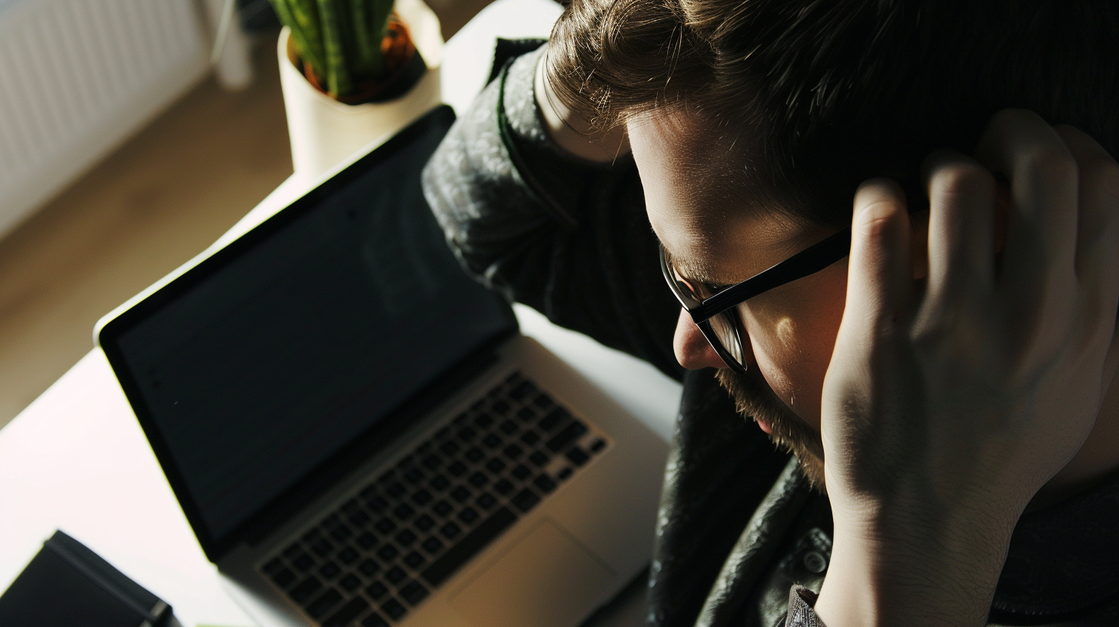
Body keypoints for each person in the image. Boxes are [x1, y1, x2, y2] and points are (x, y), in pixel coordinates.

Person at [422, 1, 1119, 624]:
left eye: (708, 287)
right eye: (682, 276)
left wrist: (905, 553)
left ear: (960, 251)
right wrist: (598, 61)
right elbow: (482, 218)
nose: (686, 344)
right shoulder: (790, 304)